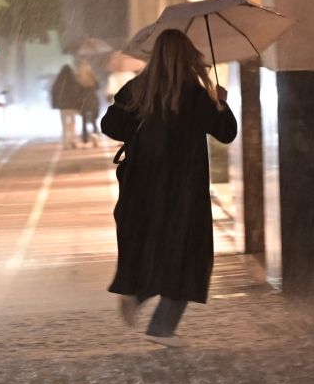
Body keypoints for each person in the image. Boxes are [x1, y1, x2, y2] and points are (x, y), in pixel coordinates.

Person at [101, 29, 237, 347]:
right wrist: (221, 104)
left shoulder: (137, 88)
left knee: (155, 247)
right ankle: (161, 327)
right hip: (184, 190)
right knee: (188, 254)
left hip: (143, 186)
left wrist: (135, 122)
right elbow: (227, 133)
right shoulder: (196, 94)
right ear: (188, 57)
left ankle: (138, 294)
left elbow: (110, 126)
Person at [51, 64, 83, 149]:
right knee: (72, 124)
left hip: (63, 106)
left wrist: (55, 104)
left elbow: (54, 92)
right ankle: (73, 140)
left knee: (65, 125)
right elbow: (78, 93)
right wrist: (78, 104)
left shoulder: (59, 81)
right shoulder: (73, 80)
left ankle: (65, 142)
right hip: (72, 106)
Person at [77, 59, 101, 146]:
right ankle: (95, 136)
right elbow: (98, 87)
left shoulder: (78, 78)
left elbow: (77, 91)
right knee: (93, 120)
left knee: (83, 120)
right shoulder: (93, 77)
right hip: (93, 99)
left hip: (83, 101)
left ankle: (85, 139)